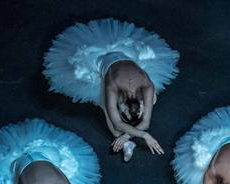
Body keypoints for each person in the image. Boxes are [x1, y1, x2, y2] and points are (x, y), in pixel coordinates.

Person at [43, 18, 179, 162]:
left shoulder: (134, 86)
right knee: (109, 108)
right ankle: (126, 143)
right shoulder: (118, 86)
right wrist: (144, 135)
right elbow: (120, 123)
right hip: (99, 58)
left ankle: (126, 142)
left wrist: (127, 135)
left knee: (124, 106)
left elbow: (145, 122)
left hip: (117, 64)